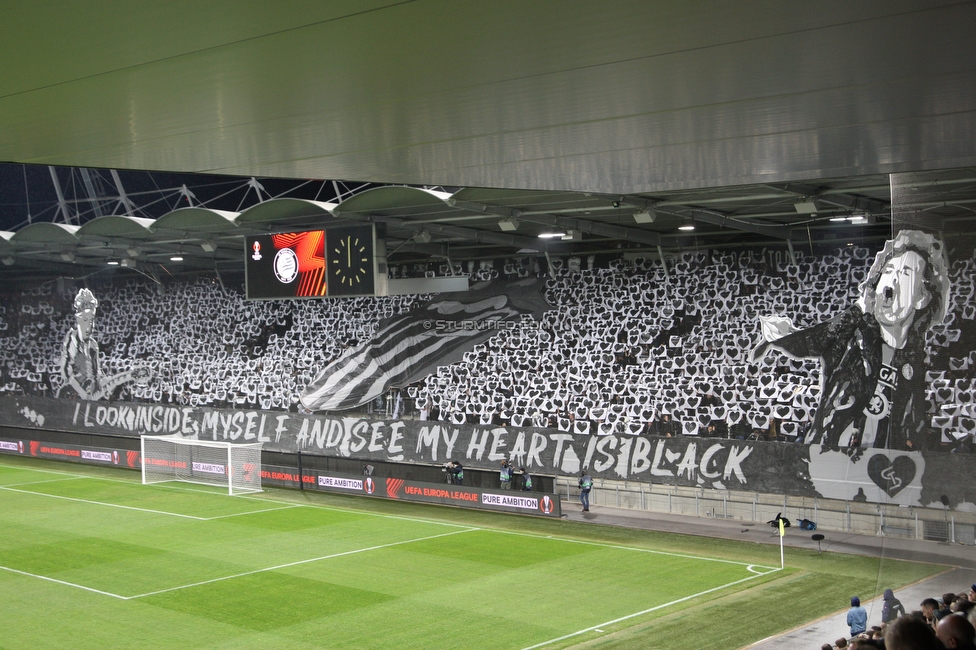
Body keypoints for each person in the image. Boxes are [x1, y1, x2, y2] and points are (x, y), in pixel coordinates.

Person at [753, 230, 950, 450]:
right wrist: (779, 337)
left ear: (922, 297)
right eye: (889, 271)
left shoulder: (914, 359)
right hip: (827, 460)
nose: (890, 284)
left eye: (905, 274)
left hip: (883, 471)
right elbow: (815, 338)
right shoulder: (851, 333)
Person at [58, 288, 149, 400]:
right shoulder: (72, 338)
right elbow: (67, 373)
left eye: (92, 320)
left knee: (111, 381)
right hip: (74, 395)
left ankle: (133, 374)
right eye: (86, 320)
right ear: (78, 320)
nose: (90, 326)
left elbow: (98, 375)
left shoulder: (93, 344)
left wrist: (119, 378)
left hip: (90, 392)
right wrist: (82, 394)